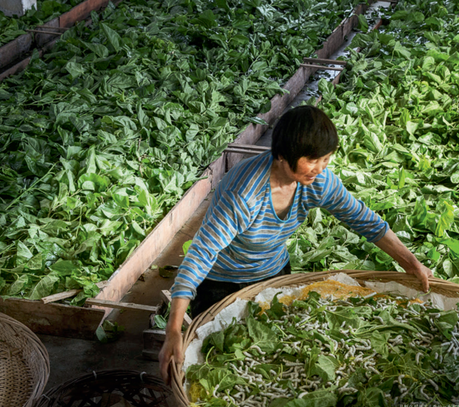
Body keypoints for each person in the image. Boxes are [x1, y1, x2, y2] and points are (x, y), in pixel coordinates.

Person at [159, 105, 432, 383]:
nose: (319, 168)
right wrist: (174, 329)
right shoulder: (244, 195)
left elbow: (365, 221)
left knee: (274, 358)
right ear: (282, 155)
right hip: (221, 283)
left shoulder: (316, 181)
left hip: (274, 274)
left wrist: (412, 263)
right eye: (312, 160)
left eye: (326, 159)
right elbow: (201, 255)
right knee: (219, 361)